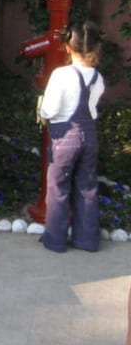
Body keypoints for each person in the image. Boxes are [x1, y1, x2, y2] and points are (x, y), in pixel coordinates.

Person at [38, 20, 105, 253]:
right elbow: (93, 109)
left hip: (64, 137)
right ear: (96, 49)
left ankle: (55, 240)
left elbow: (50, 109)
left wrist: (42, 112)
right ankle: (87, 240)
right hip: (89, 135)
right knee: (87, 187)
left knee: (58, 188)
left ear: (68, 47)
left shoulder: (61, 75)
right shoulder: (97, 78)